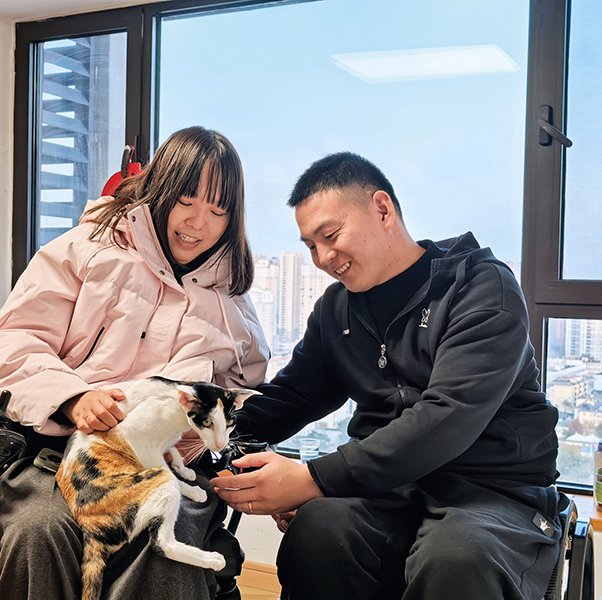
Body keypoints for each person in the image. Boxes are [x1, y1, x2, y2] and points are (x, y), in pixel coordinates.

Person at [211, 152, 560, 600]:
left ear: (382, 209)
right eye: (311, 246)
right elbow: (294, 396)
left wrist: (312, 479)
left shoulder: (480, 287)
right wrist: (203, 427)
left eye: (330, 235)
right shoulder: (336, 310)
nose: (323, 257)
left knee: (456, 559)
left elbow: (447, 416)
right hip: (387, 490)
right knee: (318, 531)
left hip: (493, 492)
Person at [0, 126, 270, 600]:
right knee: (38, 531)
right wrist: (72, 398)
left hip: (165, 465)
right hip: (61, 455)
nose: (198, 223)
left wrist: (194, 437)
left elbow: (242, 393)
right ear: (162, 190)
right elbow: (9, 341)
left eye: (218, 211)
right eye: (187, 200)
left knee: (162, 545)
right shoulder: (85, 249)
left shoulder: (233, 301)